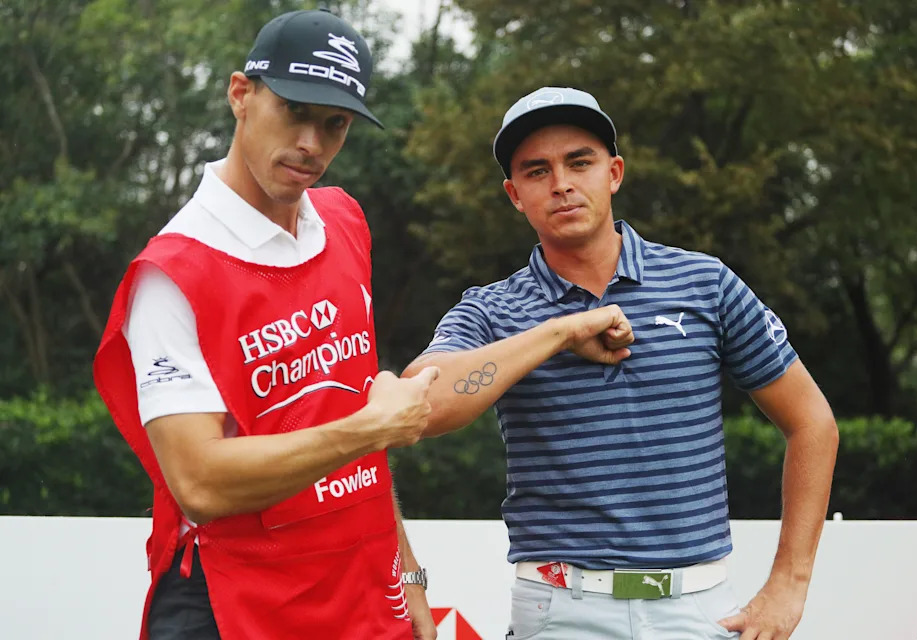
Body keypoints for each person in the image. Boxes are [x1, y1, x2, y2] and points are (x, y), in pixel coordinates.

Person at [403, 87, 839, 639]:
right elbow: (420, 402)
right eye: (537, 171)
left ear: (614, 173)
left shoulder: (705, 283)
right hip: (559, 610)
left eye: (578, 162)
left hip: (697, 608)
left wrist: (790, 583)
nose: (561, 183)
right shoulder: (493, 309)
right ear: (515, 195)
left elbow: (813, 423)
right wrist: (559, 333)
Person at [94, 10, 438, 640]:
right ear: (240, 96)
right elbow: (199, 482)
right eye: (294, 111)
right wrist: (372, 428)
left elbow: (350, 410)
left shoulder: (344, 221)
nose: (312, 143)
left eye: (334, 124)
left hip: (359, 589)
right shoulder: (172, 272)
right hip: (234, 602)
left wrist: (406, 574)